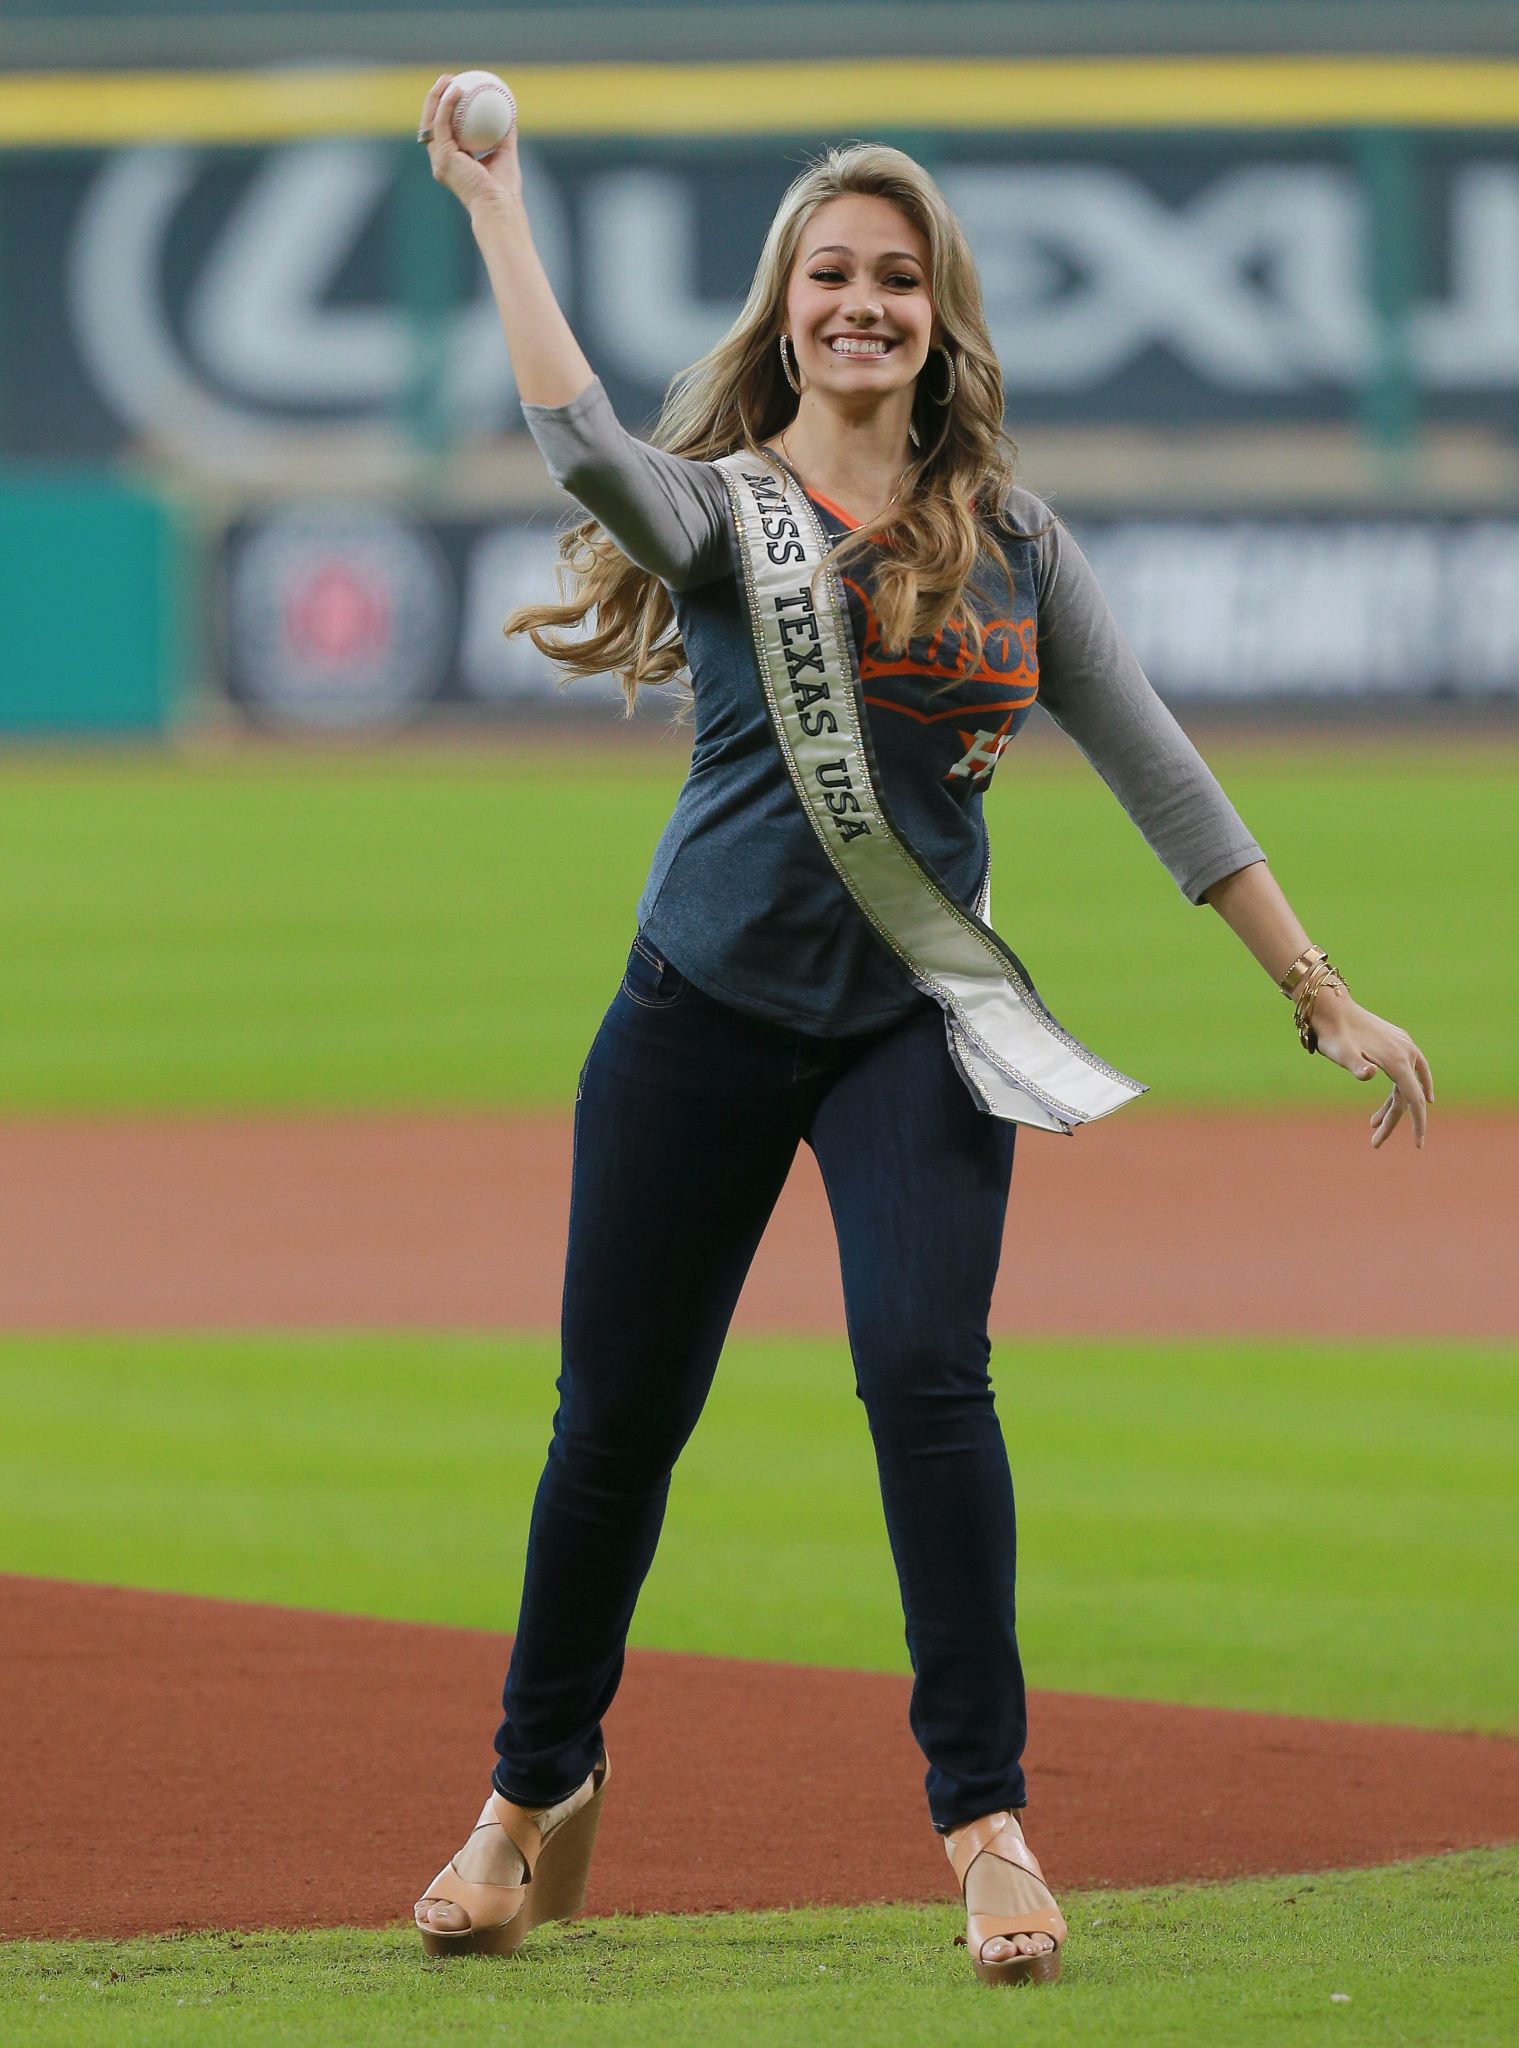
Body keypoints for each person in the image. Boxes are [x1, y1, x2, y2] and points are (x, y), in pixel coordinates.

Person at [410, 74, 1435, 1987]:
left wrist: (1320, 991)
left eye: (896, 278)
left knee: (925, 1381)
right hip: (694, 1019)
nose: (860, 304)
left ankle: (987, 1827)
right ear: (786, 309)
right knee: (617, 1424)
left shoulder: (1016, 543)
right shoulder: (724, 513)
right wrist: (496, 207)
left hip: (915, 1028)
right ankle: (526, 1798)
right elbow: (574, 445)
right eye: (829, 276)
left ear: (940, 315)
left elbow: (1166, 779)